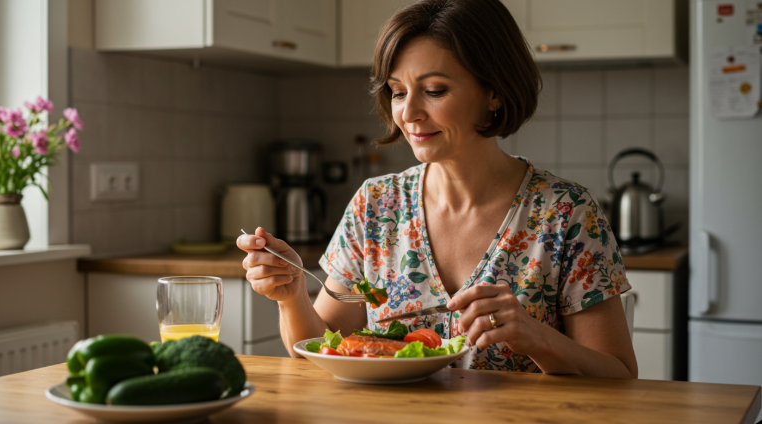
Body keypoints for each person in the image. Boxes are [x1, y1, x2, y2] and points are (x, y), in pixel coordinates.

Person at [238, 0, 637, 378]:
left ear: (493, 93)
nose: (408, 114)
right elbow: (320, 351)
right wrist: (292, 298)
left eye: (434, 90)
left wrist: (538, 338)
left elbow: (620, 376)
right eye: (397, 91)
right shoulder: (376, 206)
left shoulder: (566, 213)